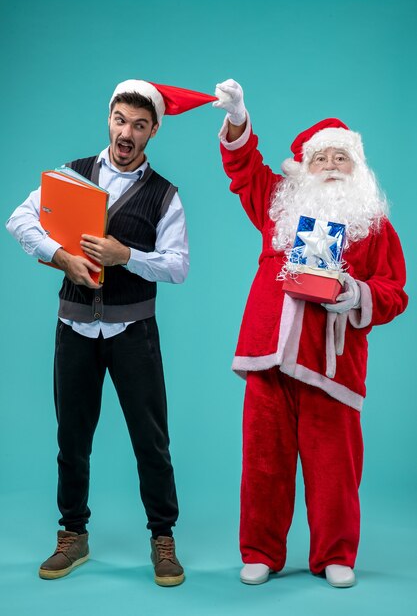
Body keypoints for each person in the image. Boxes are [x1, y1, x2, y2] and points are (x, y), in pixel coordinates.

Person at [6, 79, 215, 586]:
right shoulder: (70, 176)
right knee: (71, 437)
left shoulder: (165, 194)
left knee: (151, 439)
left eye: (139, 126)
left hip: (133, 331)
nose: (127, 132)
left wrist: (128, 257)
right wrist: (59, 257)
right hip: (73, 325)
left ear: (153, 131)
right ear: (109, 119)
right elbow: (19, 220)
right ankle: (72, 534)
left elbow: (179, 266)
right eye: (121, 120)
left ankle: (163, 539)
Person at [213, 79, 408, 588]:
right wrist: (237, 117)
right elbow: (242, 169)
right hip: (269, 358)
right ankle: (260, 551)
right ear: (304, 168)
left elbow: (395, 290)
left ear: (357, 169)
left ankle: (335, 554)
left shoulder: (374, 225)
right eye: (322, 159)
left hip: (332, 365)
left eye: (342, 159)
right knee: (263, 464)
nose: (331, 167)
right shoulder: (277, 205)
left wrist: (357, 295)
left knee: (335, 472)